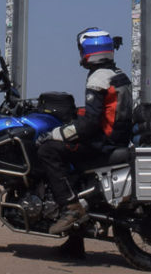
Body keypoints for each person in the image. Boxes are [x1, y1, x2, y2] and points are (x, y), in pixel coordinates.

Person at [36, 27, 133, 236]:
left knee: (48, 151)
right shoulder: (118, 74)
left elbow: (89, 124)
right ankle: (74, 241)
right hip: (118, 139)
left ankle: (71, 208)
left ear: (89, 51)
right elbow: (104, 111)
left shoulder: (98, 78)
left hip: (103, 143)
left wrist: (56, 133)